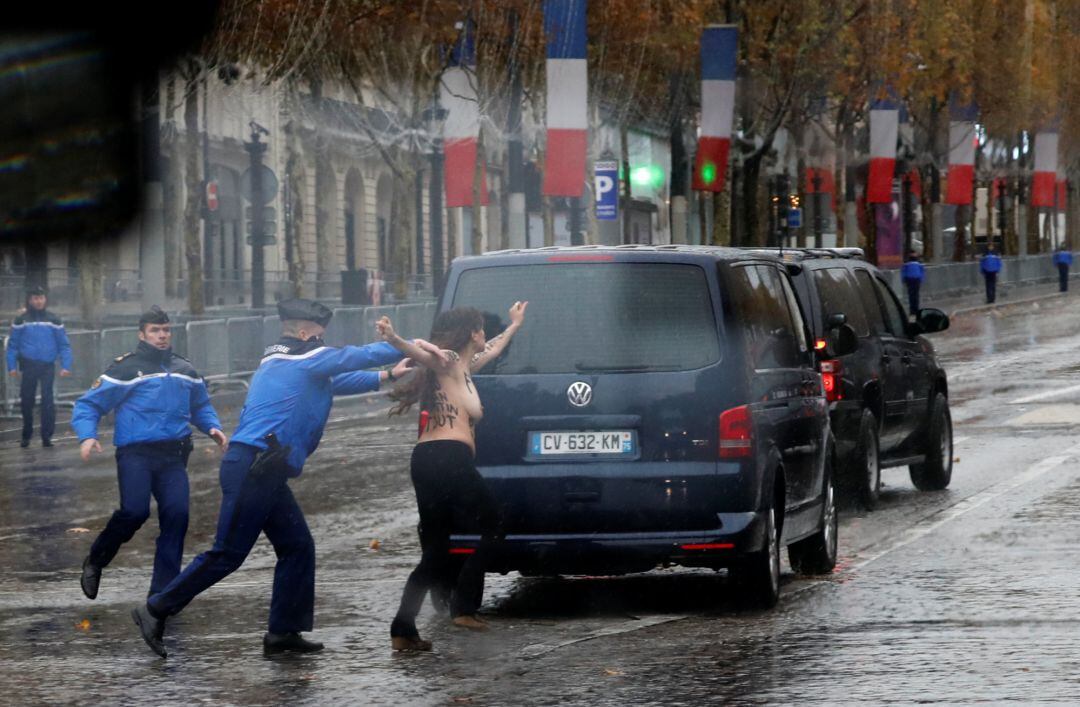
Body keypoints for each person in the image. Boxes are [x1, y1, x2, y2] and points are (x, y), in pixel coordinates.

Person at [132, 298, 441, 658]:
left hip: (265, 467)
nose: (323, 343)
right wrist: (408, 345)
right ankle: (155, 608)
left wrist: (387, 376)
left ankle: (282, 633)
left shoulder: (283, 360)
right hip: (254, 466)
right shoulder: (304, 357)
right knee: (227, 553)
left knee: (297, 546)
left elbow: (334, 380)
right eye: (320, 336)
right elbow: (351, 357)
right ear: (305, 333)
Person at [381, 301, 527, 652]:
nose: (485, 335)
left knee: (437, 549)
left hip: (428, 459)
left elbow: (494, 349)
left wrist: (514, 325)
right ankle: (463, 606)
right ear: (471, 333)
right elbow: (422, 353)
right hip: (447, 458)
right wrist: (394, 338)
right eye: (481, 328)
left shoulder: (465, 367)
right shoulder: (447, 361)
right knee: (494, 523)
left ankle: (403, 628)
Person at [72, 306, 227, 600]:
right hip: (136, 454)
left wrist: (212, 427)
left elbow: (200, 405)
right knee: (134, 512)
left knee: (177, 517)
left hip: (173, 456)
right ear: (142, 335)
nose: (162, 335)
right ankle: (96, 560)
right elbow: (89, 404)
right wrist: (87, 435)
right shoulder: (126, 369)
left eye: (166, 330)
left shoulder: (185, 369)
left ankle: (161, 595)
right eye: (155, 331)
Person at [6, 285, 72, 447]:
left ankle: (46, 436)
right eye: (35, 298)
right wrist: (11, 366)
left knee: (48, 401)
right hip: (28, 365)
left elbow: (64, 344)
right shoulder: (21, 320)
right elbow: (13, 345)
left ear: (45, 299)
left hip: (47, 365)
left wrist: (66, 365)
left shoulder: (54, 320)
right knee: (26, 401)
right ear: (30, 300)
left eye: (41, 298)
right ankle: (26, 435)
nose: (39, 301)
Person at [900, 250, 925, 315]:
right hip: (916, 280)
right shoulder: (918, 264)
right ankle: (915, 309)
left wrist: (903, 279)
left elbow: (903, 272)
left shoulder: (907, 264)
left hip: (910, 280)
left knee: (911, 295)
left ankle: (912, 310)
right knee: (915, 295)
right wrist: (921, 279)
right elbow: (922, 272)